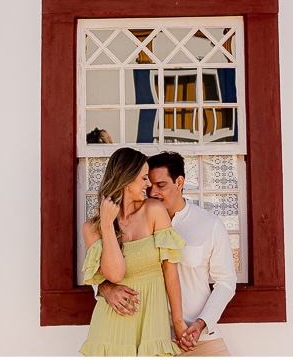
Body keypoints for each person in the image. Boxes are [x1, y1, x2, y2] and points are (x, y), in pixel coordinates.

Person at [96, 152, 237, 357]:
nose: (153, 192)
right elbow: (100, 268)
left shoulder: (210, 224)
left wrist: (201, 323)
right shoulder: (128, 222)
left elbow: (226, 282)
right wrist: (104, 288)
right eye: (148, 184)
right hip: (146, 337)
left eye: (161, 185)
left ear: (179, 183)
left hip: (196, 338)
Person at [80, 147, 187, 356]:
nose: (149, 185)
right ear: (127, 180)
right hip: (111, 326)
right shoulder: (92, 228)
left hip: (152, 323)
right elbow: (115, 275)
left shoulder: (154, 210)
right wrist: (107, 226)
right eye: (144, 178)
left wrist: (178, 321)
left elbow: (170, 271)